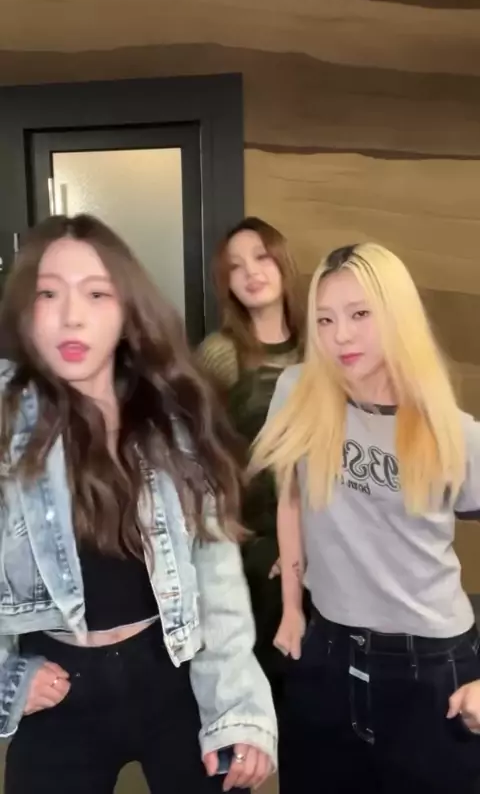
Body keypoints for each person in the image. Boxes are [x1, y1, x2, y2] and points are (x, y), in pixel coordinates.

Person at [0, 214, 276, 794]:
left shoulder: (171, 420)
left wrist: (237, 709)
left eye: (96, 294)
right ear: (26, 310)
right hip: (57, 683)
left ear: (127, 312)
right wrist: (7, 679)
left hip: (171, 667)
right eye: (49, 294)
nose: (72, 316)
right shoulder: (7, 422)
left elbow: (216, 575)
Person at [252, 243, 480, 793]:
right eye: (325, 320)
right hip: (327, 654)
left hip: (432, 668)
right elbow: (290, 493)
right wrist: (291, 607)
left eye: (360, 314)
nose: (341, 337)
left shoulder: (451, 430)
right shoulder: (298, 391)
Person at [198, 217, 305, 702]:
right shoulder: (219, 353)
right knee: (258, 680)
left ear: (283, 261)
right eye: (235, 266)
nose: (251, 273)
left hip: (324, 541)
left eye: (261, 257)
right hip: (249, 544)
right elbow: (194, 451)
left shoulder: (322, 345)